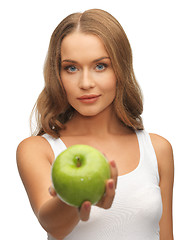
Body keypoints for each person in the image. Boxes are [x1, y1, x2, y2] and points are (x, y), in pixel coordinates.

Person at [16, 9, 174, 240]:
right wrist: (77, 199)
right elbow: (52, 225)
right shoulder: (38, 149)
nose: (86, 83)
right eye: (71, 68)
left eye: (100, 66)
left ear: (120, 69)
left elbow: (166, 235)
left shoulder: (158, 149)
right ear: (57, 75)